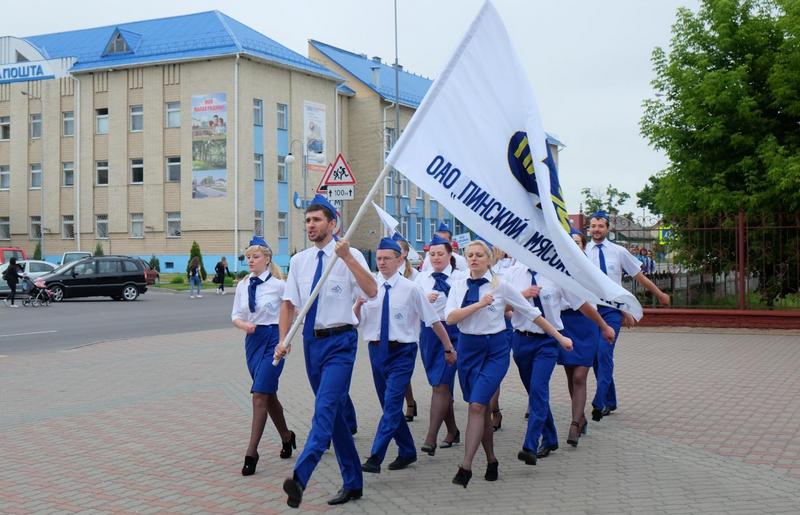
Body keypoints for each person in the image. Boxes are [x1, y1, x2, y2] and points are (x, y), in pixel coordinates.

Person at [275, 194, 377, 508]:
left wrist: (346, 258)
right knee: (332, 417)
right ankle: (353, 482)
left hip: (340, 341)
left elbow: (371, 291)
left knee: (324, 408)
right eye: (307, 220)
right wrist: (284, 339)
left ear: (333, 224)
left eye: (317, 220)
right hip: (311, 342)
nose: (310, 225)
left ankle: (300, 477)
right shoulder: (299, 261)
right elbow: (289, 304)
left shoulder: (350, 254)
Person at [444, 240, 572, 487]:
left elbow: (531, 312)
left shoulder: (501, 285)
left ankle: (466, 466)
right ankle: (492, 459)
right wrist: (479, 304)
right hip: (468, 350)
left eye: (479, 255)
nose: (473, 258)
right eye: (469, 255)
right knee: (478, 409)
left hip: (495, 351)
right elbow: (450, 318)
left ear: (489, 259)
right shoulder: (458, 284)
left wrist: (559, 337)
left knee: (476, 406)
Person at [355, 237, 454, 474]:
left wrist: (449, 348)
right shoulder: (369, 286)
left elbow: (433, 321)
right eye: (378, 258)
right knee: (387, 404)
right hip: (376, 350)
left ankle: (375, 456)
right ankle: (407, 450)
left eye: (387, 258)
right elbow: (356, 322)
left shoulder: (412, 289)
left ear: (400, 260)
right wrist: (358, 306)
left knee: (391, 405)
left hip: (402, 351)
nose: (382, 263)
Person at [586, 211, 670, 421]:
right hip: (590, 311)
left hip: (612, 311)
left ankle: (599, 402)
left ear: (608, 229)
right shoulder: (582, 251)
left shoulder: (619, 251)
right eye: (593, 226)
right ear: (590, 228)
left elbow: (638, 277)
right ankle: (611, 400)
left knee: (604, 353)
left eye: (601, 226)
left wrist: (659, 294)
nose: (596, 229)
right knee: (596, 358)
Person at [231, 237, 296, 476]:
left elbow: (293, 312)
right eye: (248, 256)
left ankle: (251, 452)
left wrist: (285, 340)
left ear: (267, 259)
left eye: (255, 256)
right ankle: (287, 437)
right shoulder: (242, 285)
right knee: (268, 395)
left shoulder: (279, 285)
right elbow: (235, 315)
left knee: (259, 394)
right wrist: (243, 326)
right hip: (253, 341)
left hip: (274, 341)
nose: (250, 260)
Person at [415, 234, 465, 455]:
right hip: (429, 335)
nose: (436, 258)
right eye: (432, 254)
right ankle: (453, 430)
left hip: (454, 333)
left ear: (450, 255)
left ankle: (431, 437)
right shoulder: (421, 279)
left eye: (440, 254)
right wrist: (425, 300)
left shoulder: (460, 278)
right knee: (438, 384)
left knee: (442, 385)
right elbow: (411, 307)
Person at [487, 246, 521, 431]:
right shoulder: (467, 274)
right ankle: (492, 411)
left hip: (502, 327)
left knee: (495, 373)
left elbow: (514, 300)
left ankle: (494, 411)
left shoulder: (509, 271)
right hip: (479, 330)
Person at [392, 233, 420, 421]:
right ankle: (408, 401)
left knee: (402, 370)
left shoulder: (415, 276)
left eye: (397, 250)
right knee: (395, 371)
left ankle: (409, 402)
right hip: (391, 326)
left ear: (405, 254)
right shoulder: (384, 273)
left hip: (408, 327)